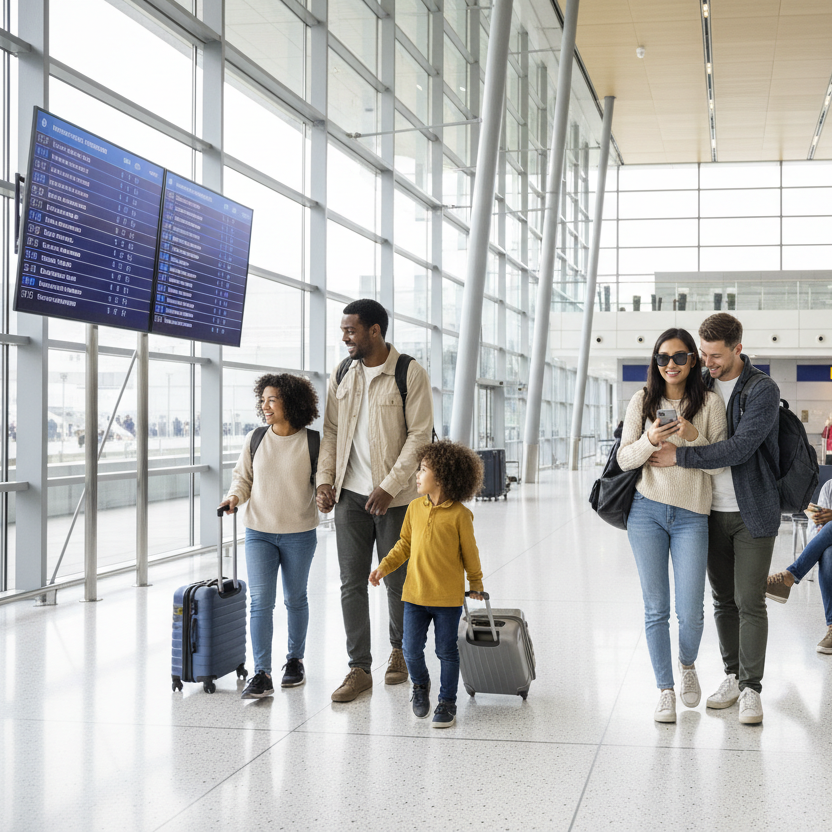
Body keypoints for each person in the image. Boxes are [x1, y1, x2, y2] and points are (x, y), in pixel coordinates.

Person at [649, 313, 781, 725]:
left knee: (749, 600)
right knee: (723, 600)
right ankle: (731, 675)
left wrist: (682, 454)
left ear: (738, 348)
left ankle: (752, 690)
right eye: (703, 354)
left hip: (752, 511)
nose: (708, 362)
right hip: (706, 511)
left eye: (716, 356)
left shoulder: (762, 389)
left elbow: (739, 448)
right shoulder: (700, 386)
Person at [316, 299, 434, 703]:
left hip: (396, 497)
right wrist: (324, 481)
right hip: (350, 496)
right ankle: (359, 668)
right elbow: (330, 431)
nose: (345, 337)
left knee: (397, 580)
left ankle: (399, 653)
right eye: (343, 330)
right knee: (352, 582)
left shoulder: (409, 372)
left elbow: (419, 436)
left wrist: (388, 485)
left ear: (375, 331)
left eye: (351, 330)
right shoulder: (342, 373)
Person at [618, 328, 727, 723]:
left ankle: (687, 664)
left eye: (679, 357)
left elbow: (718, 462)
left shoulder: (711, 404)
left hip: (691, 514)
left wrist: (691, 435)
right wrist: (650, 439)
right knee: (655, 609)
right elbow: (626, 460)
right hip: (645, 511)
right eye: (663, 358)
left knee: (692, 611)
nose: (670, 365)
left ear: (693, 361)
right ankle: (665, 689)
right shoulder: (642, 400)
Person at [369, 441, 485, 728]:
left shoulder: (460, 515)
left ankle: (447, 702)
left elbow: (471, 553)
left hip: (447, 600)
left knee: (446, 651)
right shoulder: (413, 508)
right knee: (410, 649)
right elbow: (404, 544)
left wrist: (476, 583)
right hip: (415, 596)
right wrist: (384, 566)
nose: (416, 476)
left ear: (443, 477)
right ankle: (421, 687)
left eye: (422, 470)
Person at [219, 373, 321, 699]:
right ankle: (261, 672)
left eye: (271, 400)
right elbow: (242, 479)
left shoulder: (312, 442)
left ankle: (294, 660)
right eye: (262, 400)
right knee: (261, 602)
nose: (264, 406)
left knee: (295, 599)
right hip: (259, 532)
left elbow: (323, 482)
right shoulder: (256, 438)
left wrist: (325, 494)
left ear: (290, 402)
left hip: (299, 533)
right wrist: (234, 497)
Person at [766, 480, 832, 654]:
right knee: (828, 553)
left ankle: (789, 576)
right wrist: (820, 525)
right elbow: (814, 532)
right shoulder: (830, 487)